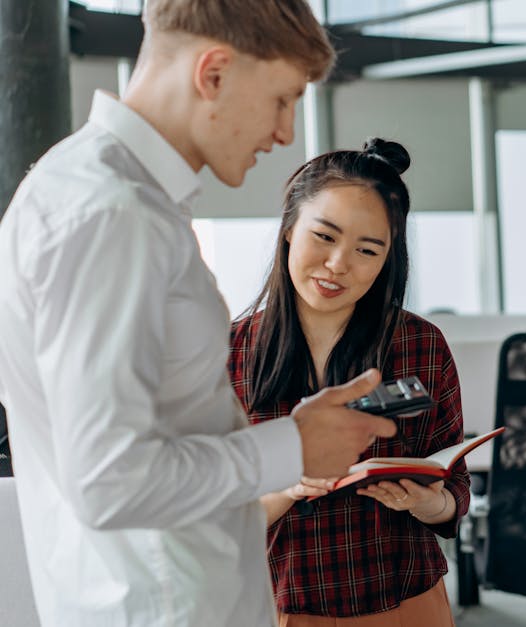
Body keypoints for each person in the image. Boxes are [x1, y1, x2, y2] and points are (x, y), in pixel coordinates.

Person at [0, 2, 400, 625]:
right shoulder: (110, 213)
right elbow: (110, 481)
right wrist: (291, 447)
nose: (286, 133)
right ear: (213, 74)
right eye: (281, 99)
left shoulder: (108, 196)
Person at [228, 138, 468, 626]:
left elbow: (455, 488)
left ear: (387, 260)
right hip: (277, 607)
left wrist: (430, 502)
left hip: (407, 602)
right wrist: (288, 486)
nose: (339, 264)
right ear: (290, 230)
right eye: (324, 236)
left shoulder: (419, 345)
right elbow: (206, 520)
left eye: (367, 249)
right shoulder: (226, 355)